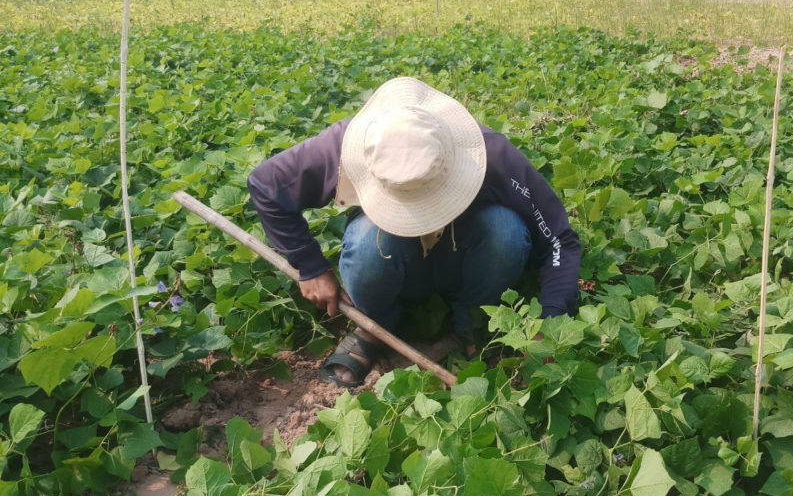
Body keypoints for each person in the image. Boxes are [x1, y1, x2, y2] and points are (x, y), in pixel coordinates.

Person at [248, 77, 581, 387]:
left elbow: (559, 242)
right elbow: (266, 186)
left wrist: (551, 322)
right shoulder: (343, 148)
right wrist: (310, 267)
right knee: (367, 241)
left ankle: (476, 324)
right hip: (394, 259)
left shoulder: (489, 155)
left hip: (466, 259)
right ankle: (375, 325)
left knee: (504, 231)